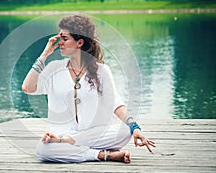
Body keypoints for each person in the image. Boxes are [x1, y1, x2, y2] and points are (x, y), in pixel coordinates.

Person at [22, 14, 155, 163]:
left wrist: (135, 127)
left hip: (91, 134)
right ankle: (103, 155)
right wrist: (45, 53)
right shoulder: (54, 69)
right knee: (43, 149)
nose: (60, 43)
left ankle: (68, 143)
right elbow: (28, 87)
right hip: (60, 134)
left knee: (125, 131)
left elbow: (117, 104)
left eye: (65, 39)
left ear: (79, 42)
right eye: (60, 38)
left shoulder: (101, 71)